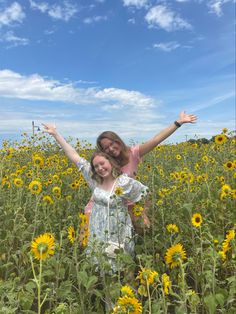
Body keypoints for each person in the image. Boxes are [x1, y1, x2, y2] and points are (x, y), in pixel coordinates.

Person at [42, 124, 148, 263]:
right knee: (94, 254)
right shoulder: (94, 178)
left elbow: (143, 193)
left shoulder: (123, 182)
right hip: (96, 222)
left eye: (102, 163)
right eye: (96, 166)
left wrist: (142, 212)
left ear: (110, 162)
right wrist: (55, 134)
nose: (100, 168)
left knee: (121, 256)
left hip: (117, 224)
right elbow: (74, 155)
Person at [84, 111, 197, 228]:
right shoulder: (106, 163)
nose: (111, 149)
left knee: (143, 228)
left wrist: (178, 123)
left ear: (117, 141)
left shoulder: (134, 153)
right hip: (110, 203)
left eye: (112, 144)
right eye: (106, 148)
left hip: (129, 202)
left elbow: (156, 140)